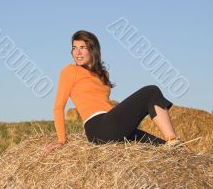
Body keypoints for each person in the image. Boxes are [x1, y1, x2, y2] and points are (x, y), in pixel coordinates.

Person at [44, 30, 184, 155]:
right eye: (74, 48)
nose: (77, 52)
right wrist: (61, 140)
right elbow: (58, 106)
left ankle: (173, 147)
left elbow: (102, 103)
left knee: (165, 150)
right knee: (151, 91)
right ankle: (172, 139)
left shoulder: (104, 74)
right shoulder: (70, 70)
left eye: (82, 48)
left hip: (112, 125)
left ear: (92, 50)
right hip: (98, 127)